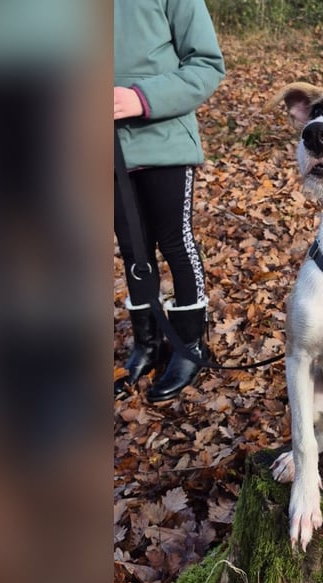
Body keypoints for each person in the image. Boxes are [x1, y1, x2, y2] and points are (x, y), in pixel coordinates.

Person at [113, 0, 225, 401]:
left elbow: (207, 65)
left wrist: (141, 98)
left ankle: (189, 346)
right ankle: (147, 343)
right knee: (133, 249)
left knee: (176, 242)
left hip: (164, 140)